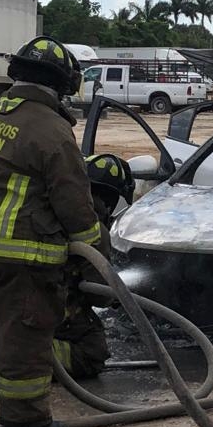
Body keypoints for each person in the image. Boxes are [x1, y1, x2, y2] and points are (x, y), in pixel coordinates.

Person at [0, 36, 101, 427]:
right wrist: (93, 253)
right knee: (24, 334)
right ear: (63, 85)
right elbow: (73, 202)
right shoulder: (53, 130)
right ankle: (24, 421)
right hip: (20, 256)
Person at [53, 154, 135, 379]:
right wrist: (115, 294)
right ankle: (32, 356)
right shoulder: (93, 228)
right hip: (44, 310)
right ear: (110, 200)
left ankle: (11, 350)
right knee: (93, 352)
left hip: (7, 302)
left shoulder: (52, 209)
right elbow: (99, 296)